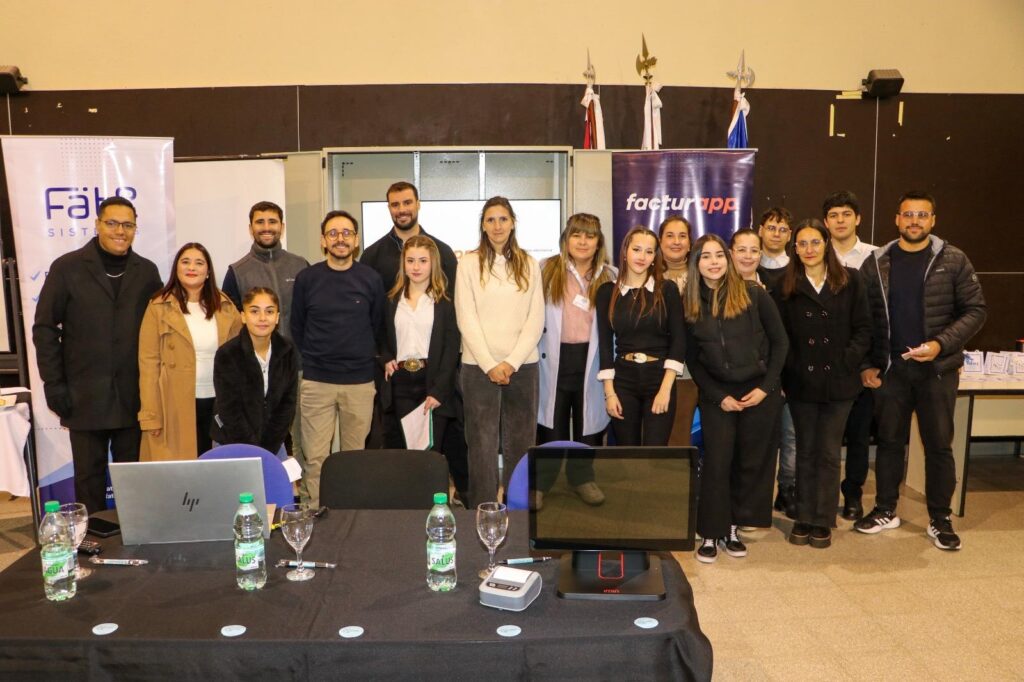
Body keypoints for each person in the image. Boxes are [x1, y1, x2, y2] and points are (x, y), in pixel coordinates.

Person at [855, 191, 986, 551]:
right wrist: (867, 364)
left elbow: (975, 310)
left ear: (933, 220)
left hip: (937, 371)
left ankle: (939, 517)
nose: (915, 221)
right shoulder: (877, 262)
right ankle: (885, 509)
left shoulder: (953, 259)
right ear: (896, 219)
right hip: (892, 370)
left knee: (939, 446)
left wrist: (941, 344)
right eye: (908, 214)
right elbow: (863, 319)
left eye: (922, 215)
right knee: (889, 443)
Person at [33, 196, 162, 513]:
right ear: (97, 224)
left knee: (134, 482)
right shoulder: (68, 267)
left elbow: (162, 328)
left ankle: (133, 548)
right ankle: (91, 546)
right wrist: (54, 384)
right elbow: (45, 328)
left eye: (128, 225)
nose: (121, 231)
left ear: (135, 229)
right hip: (83, 397)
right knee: (88, 482)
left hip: (134, 398)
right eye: (113, 223)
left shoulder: (147, 272)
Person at [685, 234, 788, 564]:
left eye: (719, 255)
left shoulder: (753, 295)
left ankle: (731, 528)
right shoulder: (690, 304)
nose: (713, 262)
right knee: (717, 462)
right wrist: (718, 397)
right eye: (705, 256)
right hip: (719, 396)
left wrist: (766, 388)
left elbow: (781, 344)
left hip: (758, 393)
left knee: (748, 462)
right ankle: (711, 532)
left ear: (727, 260)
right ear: (696, 263)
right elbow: (694, 360)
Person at [772, 220, 871, 548]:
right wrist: (789, 372)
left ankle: (823, 519)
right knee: (804, 450)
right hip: (801, 382)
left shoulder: (851, 280)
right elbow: (780, 337)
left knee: (828, 452)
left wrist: (846, 363)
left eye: (815, 242)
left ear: (826, 244)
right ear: (795, 248)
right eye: (802, 244)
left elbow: (863, 330)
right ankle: (803, 515)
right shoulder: (785, 285)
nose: (809, 249)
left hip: (839, 383)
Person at [291, 210, 385, 507]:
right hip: (317, 381)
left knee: (352, 458)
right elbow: (297, 326)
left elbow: (378, 325)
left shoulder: (370, 279)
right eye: (333, 233)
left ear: (356, 241)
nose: (340, 239)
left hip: (359, 382)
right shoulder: (308, 279)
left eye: (346, 233)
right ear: (323, 240)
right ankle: (315, 515)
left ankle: (351, 513)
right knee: (316, 457)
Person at [455, 196, 544, 508]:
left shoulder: (530, 264)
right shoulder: (467, 263)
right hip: (478, 367)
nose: (497, 226)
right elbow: (466, 317)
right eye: (490, 219)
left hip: (523, 366)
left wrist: (511, 362)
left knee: (521, 441)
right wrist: (491, 364)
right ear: (483, 224)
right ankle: (483, 508)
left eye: (503, 219)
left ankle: (520, 506)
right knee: (481, 443)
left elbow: (536, 319)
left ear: (513, 222)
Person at [536, 213, 616, 506]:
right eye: (576, 235)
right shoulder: (545, 269)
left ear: (598, 242)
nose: (583, 242)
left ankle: (582, 477)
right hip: (554, 359)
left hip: (592, 360)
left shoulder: (611, 275)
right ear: (566, 239)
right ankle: (541, 483)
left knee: (589, 425)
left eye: (590, 236)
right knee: (551, 425)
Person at [379, 235, 465, 499]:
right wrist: (385, 357)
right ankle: (408, 511)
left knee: (430, 456)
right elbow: (381, 337)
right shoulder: (391, 301)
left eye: (423, 261)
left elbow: (452, 351)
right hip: (401, 383)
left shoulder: (445, 304)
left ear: (433, 264)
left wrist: (439, 391)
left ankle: (435, 510)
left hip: (432, 385)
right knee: (406, 455)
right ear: (403, 264)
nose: (416, 267)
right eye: (411, 260)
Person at [138, 243, 242, 460]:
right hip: (173, 405)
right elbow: (148, 365)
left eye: (199, 262)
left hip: (217, 403)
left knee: (214, 470)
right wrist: (151, 416)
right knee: (179, 474)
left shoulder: (226, 307)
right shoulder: (157, 307)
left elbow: (239, 362)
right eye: (185, 262)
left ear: (208, 271)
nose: (192, 267)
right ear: (176, 268)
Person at [595, 227, 685, 447]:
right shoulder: (607, 292)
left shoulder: (667, 290)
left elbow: (679, 341)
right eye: (636, 249)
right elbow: (605, 345)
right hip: (623, 382)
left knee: (656, 455)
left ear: (655, 257)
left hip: (659, 379)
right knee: (628, 456)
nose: (642, 257)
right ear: (625, 251)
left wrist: (665, 390)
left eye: (649, 251)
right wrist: (610, 393)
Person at [731, 228, 796, 516]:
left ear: (760, 254)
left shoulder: (770, 290)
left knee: (760, 454)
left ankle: (751, 514)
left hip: (763, 384)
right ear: (731, 253)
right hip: (727, 384)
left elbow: (781, 341)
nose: (747, 256)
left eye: (753, 250)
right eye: (741, 249)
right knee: (730, 453)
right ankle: (728, 510)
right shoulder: (716, 289)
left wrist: (771, 384)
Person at [822, 190, 877, 521]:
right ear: (825, 222)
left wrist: (868, 362)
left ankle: (853, 494)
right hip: (820, 363)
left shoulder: (875, 257)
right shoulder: (813, 253)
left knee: (858, 435)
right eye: (833, 215)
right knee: (819, 438)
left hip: (860, 364)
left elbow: (879, 315)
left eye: (846, 214)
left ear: (857, 218)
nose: (839, 220)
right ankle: (817, 496)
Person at [211, 287, 299, 457]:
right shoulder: (227, 354)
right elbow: (230, 411)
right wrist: (254, 451)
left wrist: (267, 448)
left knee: (280, 483)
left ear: (277, 317)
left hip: (272, 442)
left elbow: (287, 405)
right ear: (243, 316)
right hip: (232, 440)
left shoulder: (287, 350)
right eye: (254, 311)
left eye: (270, 311)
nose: (262, 318)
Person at [221, 201, 309, 339]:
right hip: (255, 358)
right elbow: (230, 324)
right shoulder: (237, 272)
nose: (266, 227)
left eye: (272, 221)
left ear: (282, 227)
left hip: (297, 357)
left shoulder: (301, 266)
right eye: (260, 222)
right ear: (251, 228)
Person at [360, 181, 459, 295]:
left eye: (407, 203)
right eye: (395, 204)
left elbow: (453, 301)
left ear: (418, 204)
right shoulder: (371, 256)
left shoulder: (443, 252)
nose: (402, 210)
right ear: (389, 208)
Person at [659, 216, 698, 447]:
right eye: (670, 235)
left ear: (690, 242)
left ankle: (679, 484)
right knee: (654, 440)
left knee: (679, 438)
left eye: (682, 236)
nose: (676, 241)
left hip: (690, 373)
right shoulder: (647, 275)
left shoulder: (701, 274)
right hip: (655, 371)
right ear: (660, 240)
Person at [757, 207, 793, 290]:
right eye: (771, 228)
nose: (776, 234)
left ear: (789, 235)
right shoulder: (748, 266)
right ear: (760, 230)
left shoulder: (798, 270)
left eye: (783, 230)